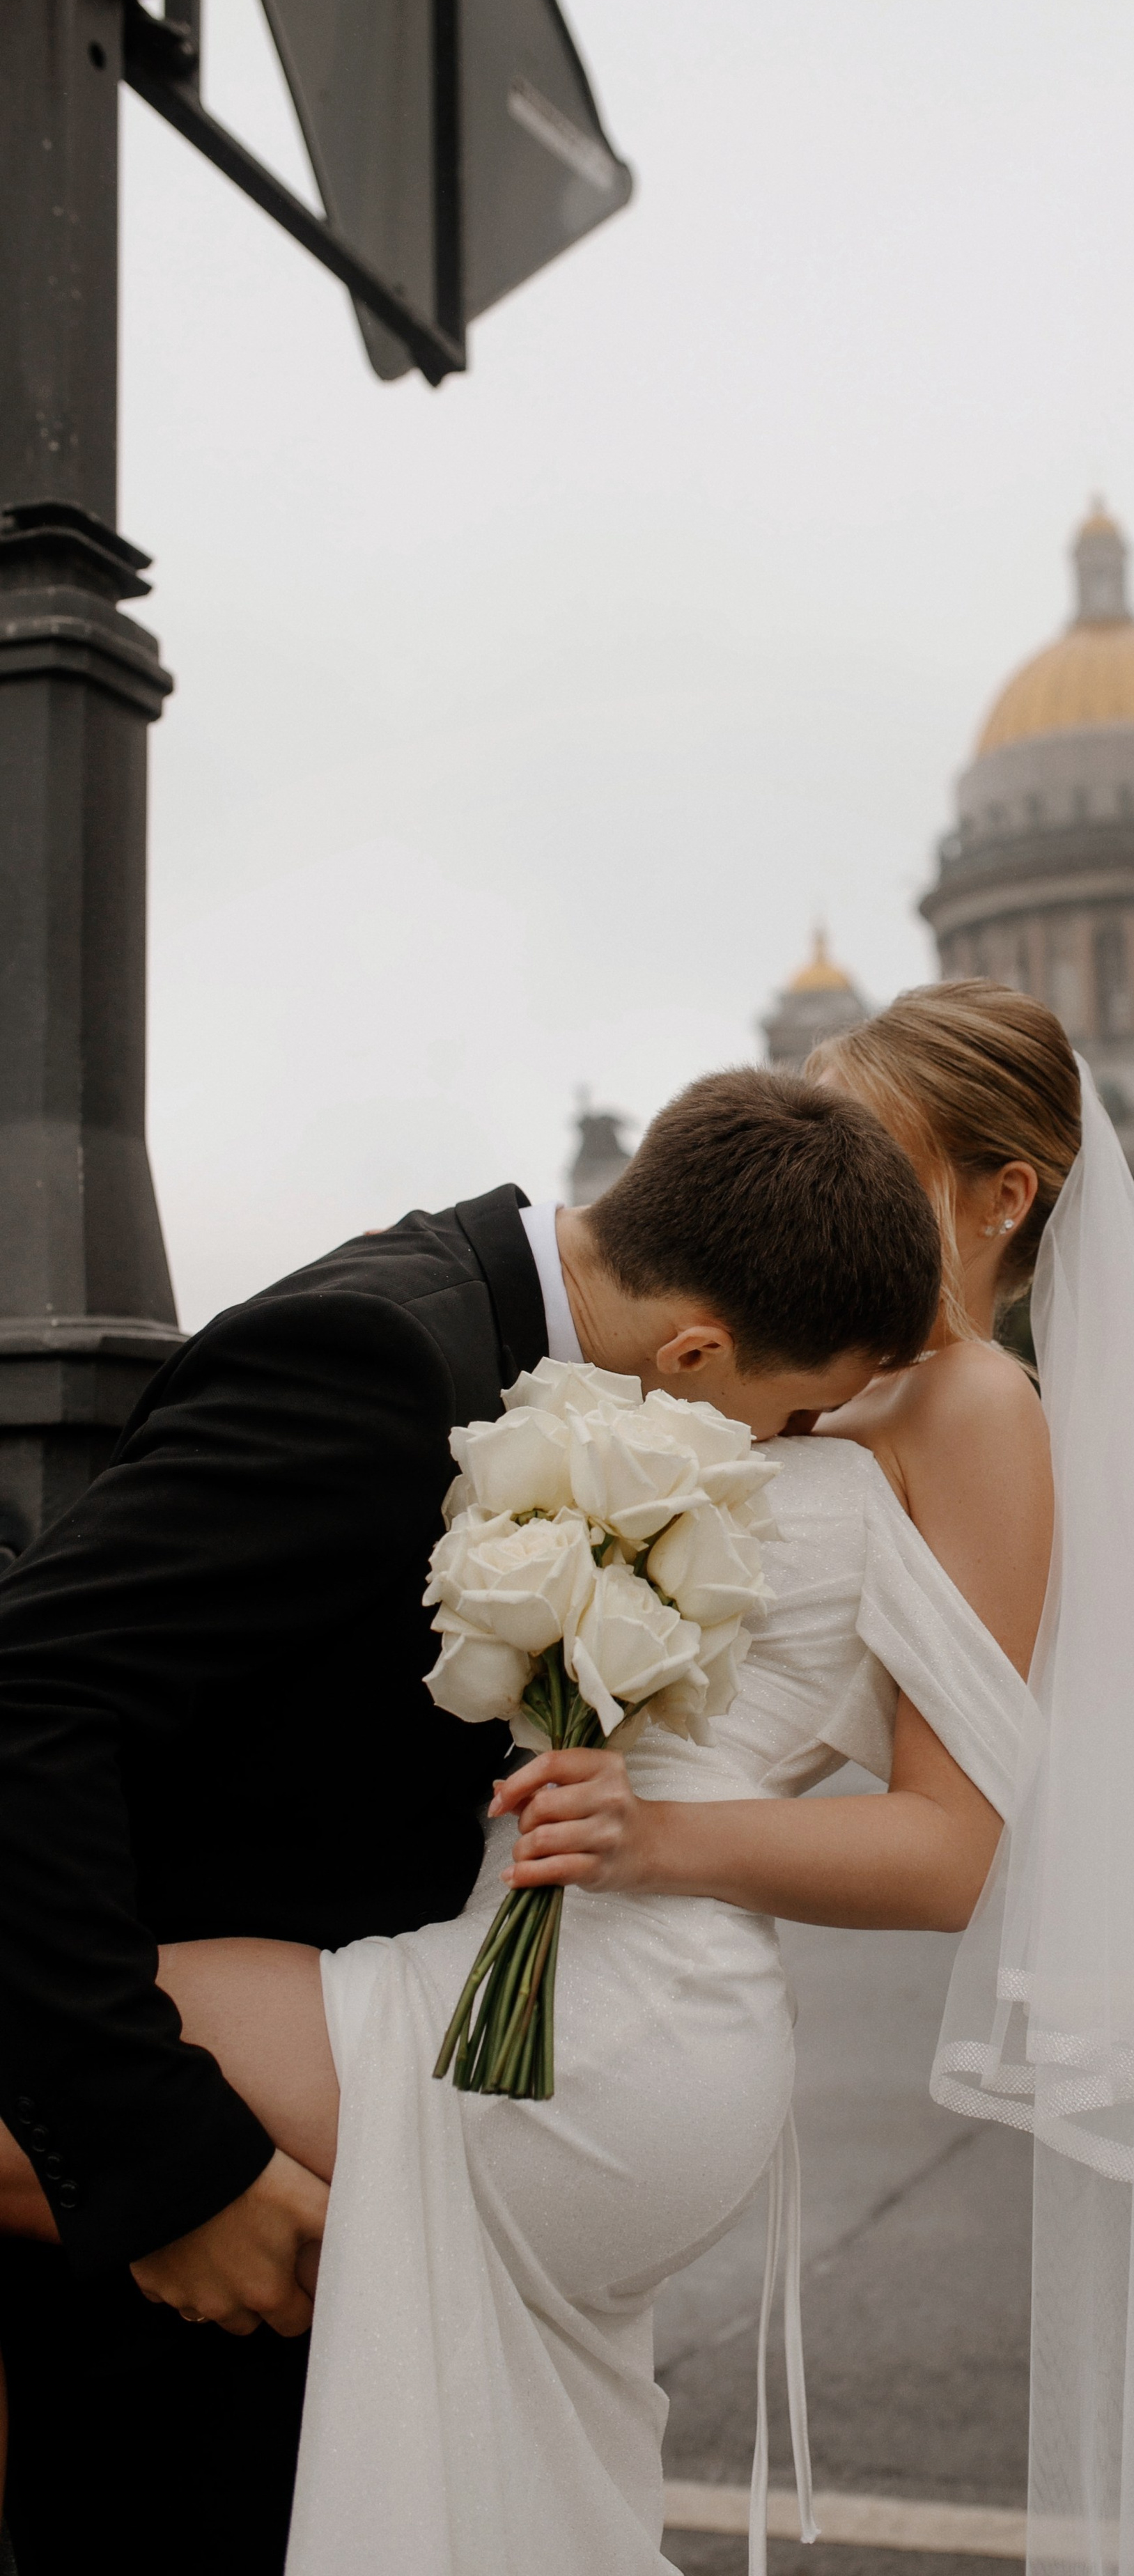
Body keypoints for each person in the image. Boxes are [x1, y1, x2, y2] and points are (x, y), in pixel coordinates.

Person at [6, 980, 1134, 2576]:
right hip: (517, 1978)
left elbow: (949, 1849)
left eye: (875, 1153)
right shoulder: (769, 1373)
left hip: (616, 2011)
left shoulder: (978, 1410)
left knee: (84, 2136)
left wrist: (657, 1837)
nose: (829, 1190)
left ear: (1004, 1196)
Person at [0, 1068, 944, 2576]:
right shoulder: (374, 1358)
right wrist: (171, 2170)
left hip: (369, 2133)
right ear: (696, 1348)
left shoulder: (504, 1327)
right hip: (222, 2186)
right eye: (793, 1413)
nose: (793, 1445)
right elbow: (30, 1697)